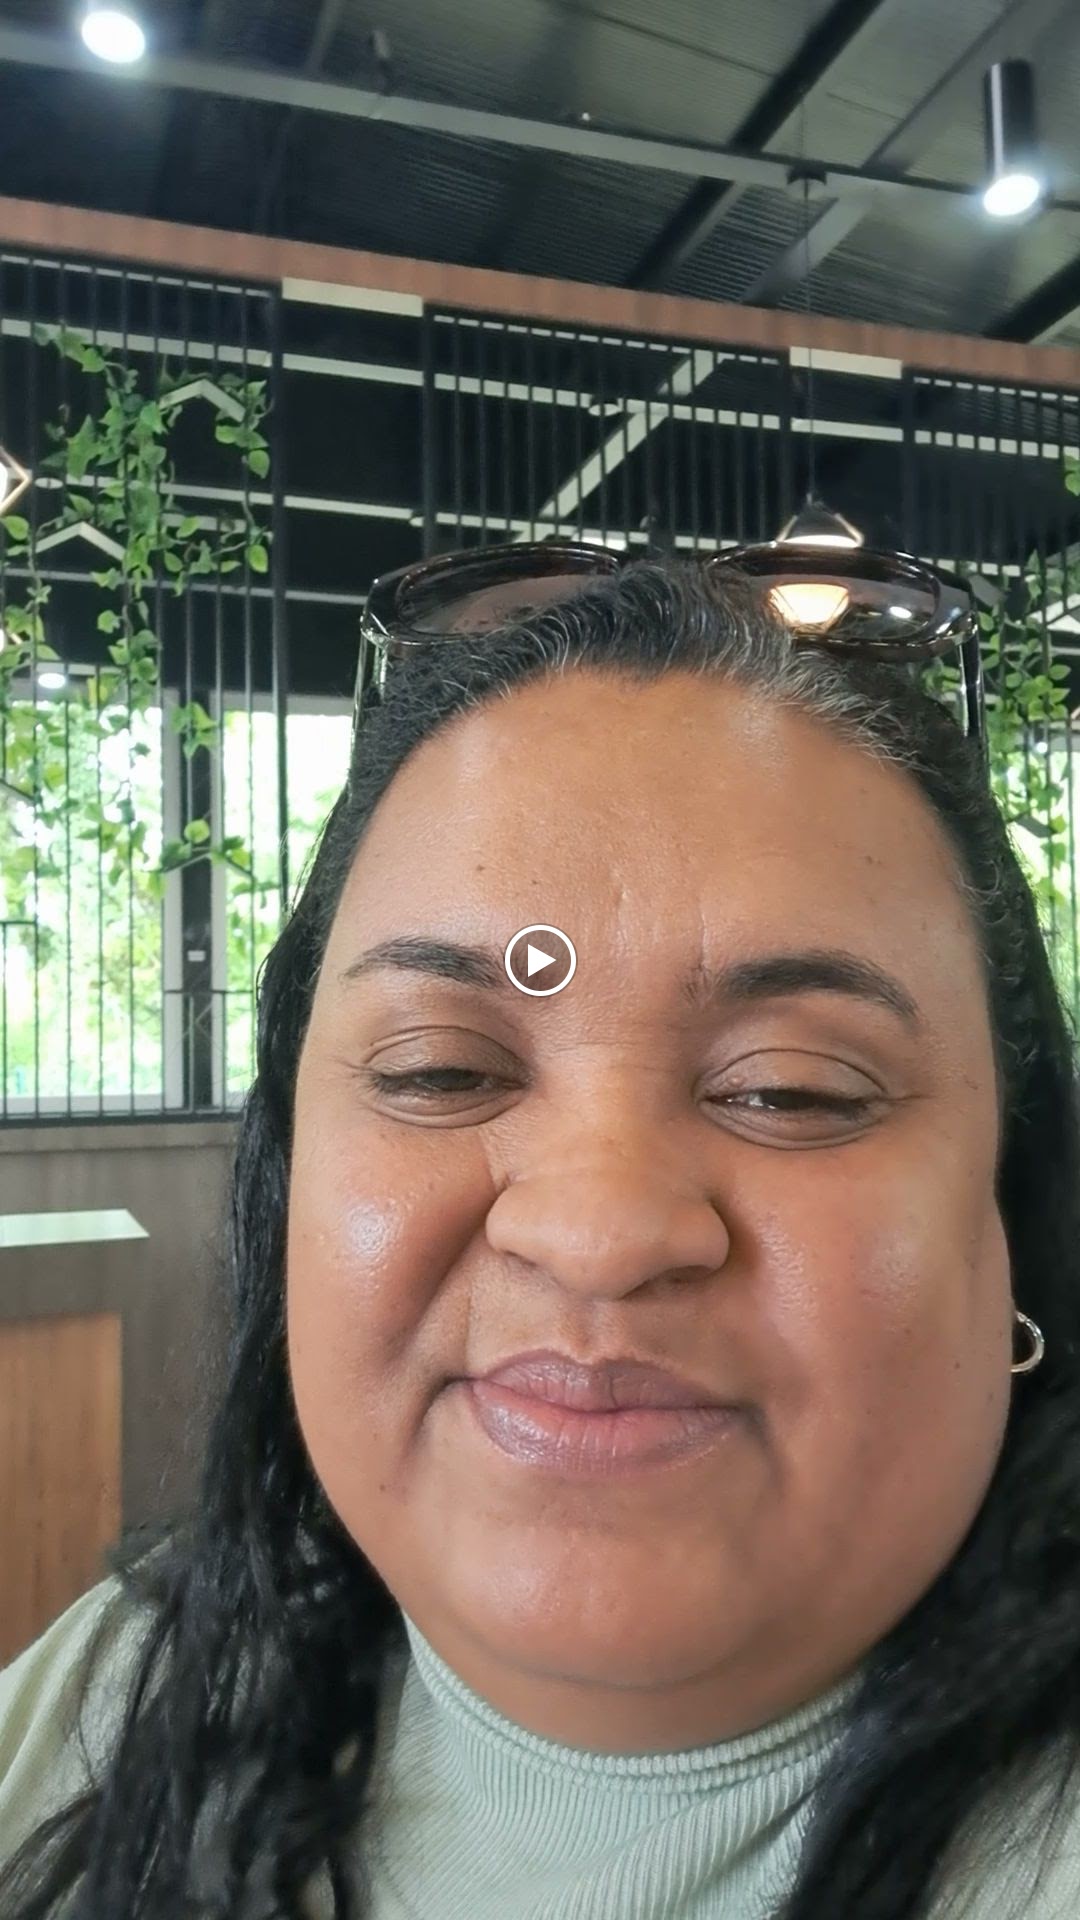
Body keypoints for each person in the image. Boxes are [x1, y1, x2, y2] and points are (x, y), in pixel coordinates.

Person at [2, 555, 1080, 1920]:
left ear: (1010, 1219)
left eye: (790, 1090)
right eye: (441, 1071)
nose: (596, 1233)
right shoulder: (107, 1701)